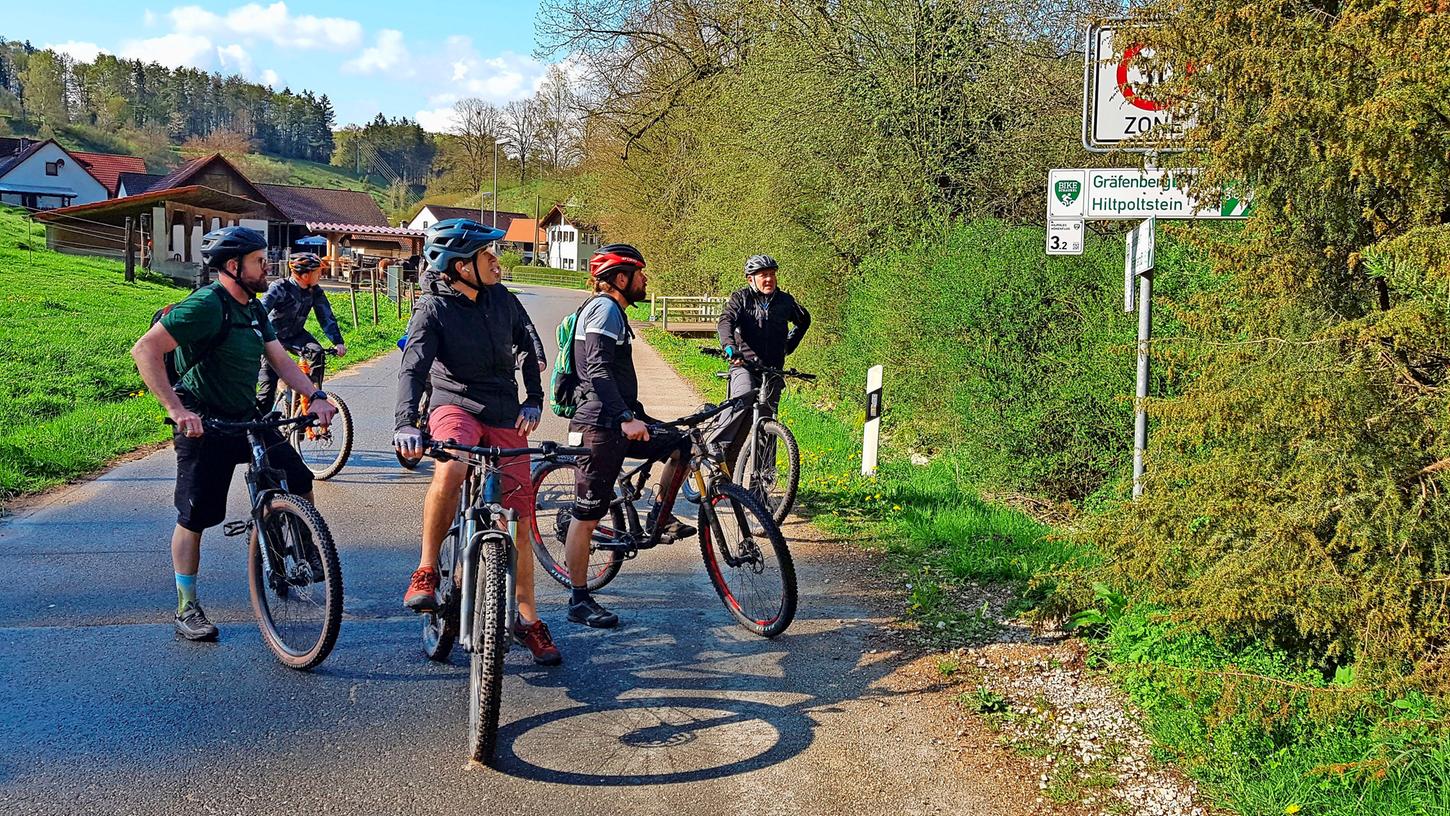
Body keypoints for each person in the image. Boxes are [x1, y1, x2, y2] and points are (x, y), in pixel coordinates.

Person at [130, 226, 338, 642]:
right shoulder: (207, 305)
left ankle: (299, 548)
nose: (267, 267)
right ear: (233, 266)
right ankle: (186, 606)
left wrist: (315, 395)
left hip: (245, 416)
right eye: (259, 261)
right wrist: (177, 410)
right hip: (205, 422)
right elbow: (145, 350)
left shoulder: (255, 309)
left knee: (297, 477)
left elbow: (279, 360)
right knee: (197, 516)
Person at [391, 219, 558, 665]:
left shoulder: (502, 299)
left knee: (519, 517)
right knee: (452, 464)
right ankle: (426, 569)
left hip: (504, 408)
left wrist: (534, 401)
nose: (497, 262)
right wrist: (407, 423)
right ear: (462, 266)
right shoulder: (433, 308)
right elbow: (414, 368)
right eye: (488, 256)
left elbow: (528, 349)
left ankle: (527, 618)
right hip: (454, 405)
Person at [561, 244, 695, 629]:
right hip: (598, 426)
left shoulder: (614, 310)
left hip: (618, 419)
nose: (645, 279)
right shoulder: (604, 308)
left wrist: (637, 416)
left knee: (679, 444)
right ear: (622, 278)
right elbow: (598, 370)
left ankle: (661, 517)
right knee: (586, 517)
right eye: (641, 273)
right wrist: (624, 417)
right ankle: (579, 599)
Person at [710, 254, 812, 466]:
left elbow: (804, 321)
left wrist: (788, 346)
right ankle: (715, 444)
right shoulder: (741, 298)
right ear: (751, 279)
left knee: (767, 423)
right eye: (763, 275)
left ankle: (762, 484)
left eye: (772, 274)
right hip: (744, 364)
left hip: (773, 369)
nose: (769, 279)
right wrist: (729, 347)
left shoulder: (785, 301)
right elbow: (726, 321)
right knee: (743, 397)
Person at [256, 253, 346, 413]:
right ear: (305, 275)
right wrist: (256, 336)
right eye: (318, 272)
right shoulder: (279, 287)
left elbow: (325, 316)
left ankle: (311, 396)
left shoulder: (315, 291)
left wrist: (337, 341)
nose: (321, 275)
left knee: (316, 352)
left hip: (296, 335)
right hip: (273, 338)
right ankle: (261, 428)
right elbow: (261, 311)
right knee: (267, 389)